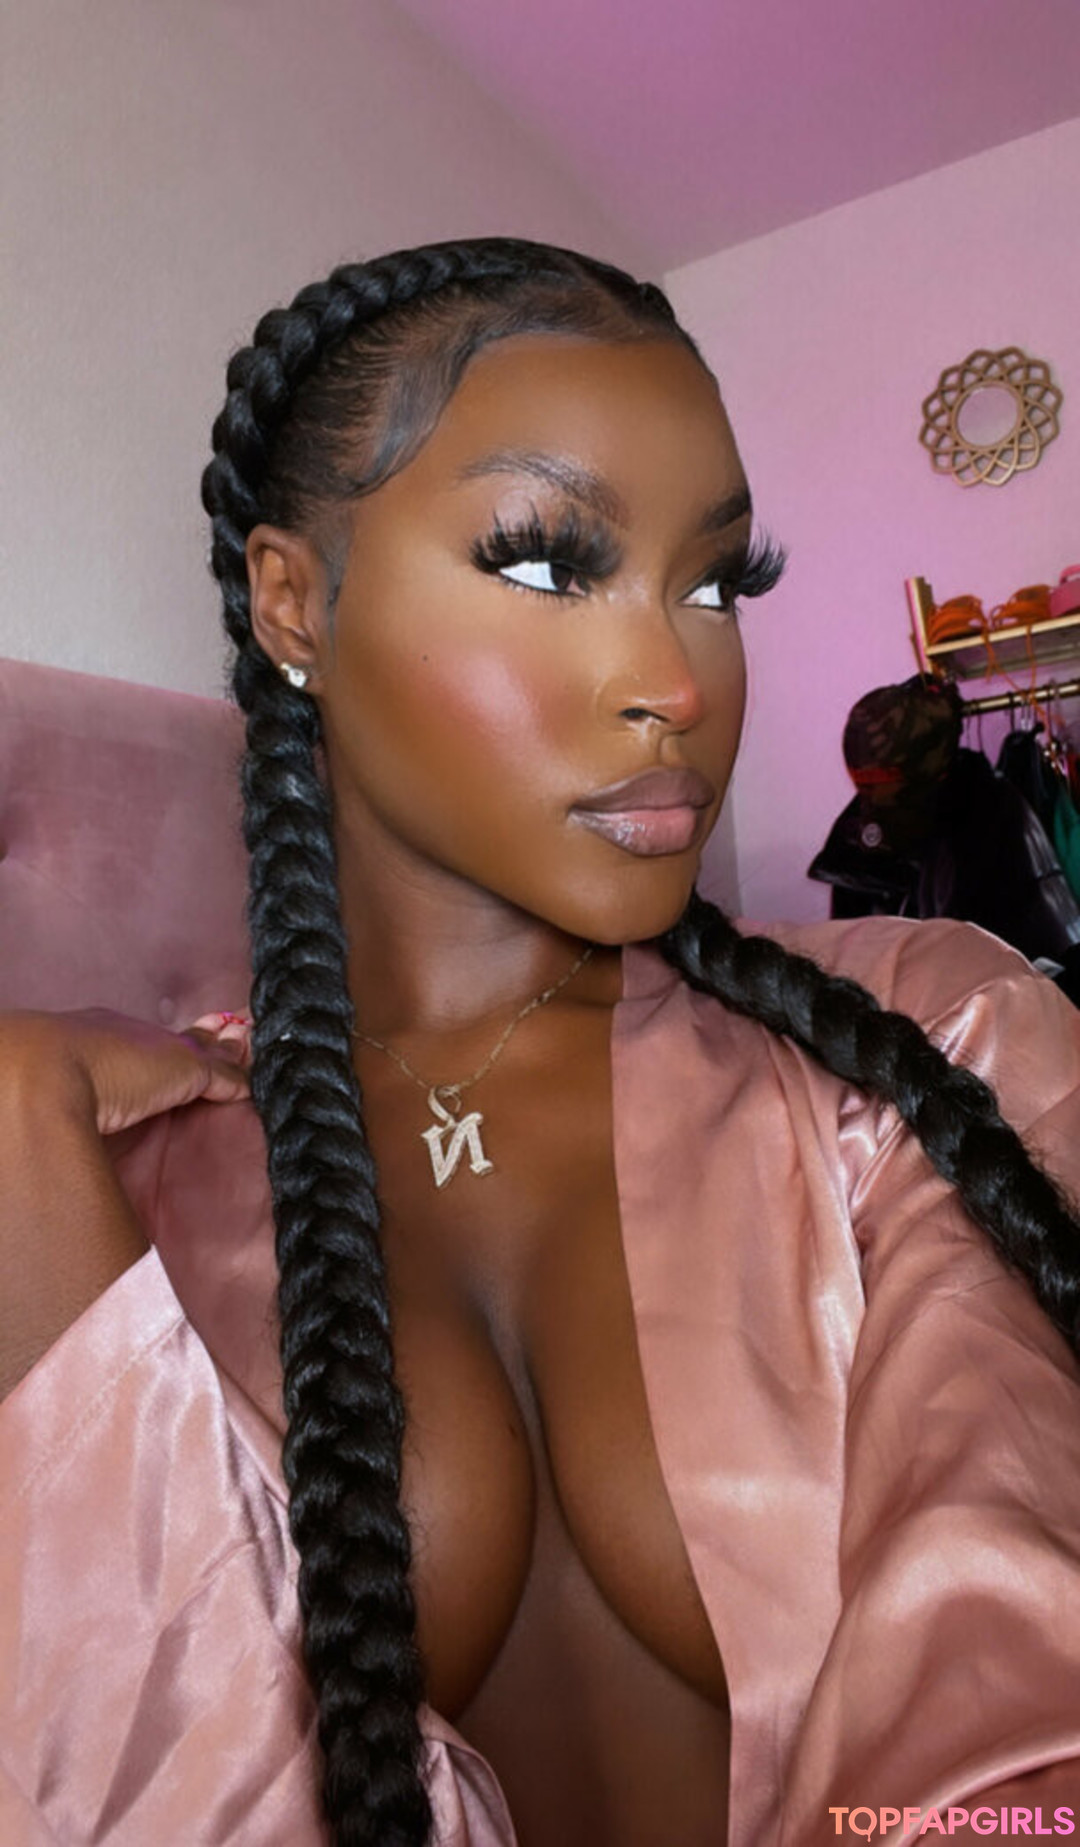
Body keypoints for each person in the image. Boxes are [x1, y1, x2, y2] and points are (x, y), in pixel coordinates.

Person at [3, 237, 1080, 1847]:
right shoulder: (111, 1185)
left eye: (715, 583)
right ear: (294, 604)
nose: (677, 682)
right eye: (544, 564)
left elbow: (1025, 1748)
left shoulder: (927, 1035)